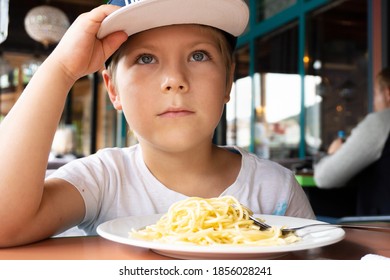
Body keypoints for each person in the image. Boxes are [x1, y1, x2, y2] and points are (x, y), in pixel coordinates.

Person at [0, 0, 314, 247]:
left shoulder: (276, 190)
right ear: (113, 89)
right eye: (146, 59)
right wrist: (62, 68)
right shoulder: (103, 179)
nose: (174, 80)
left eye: (199, 56)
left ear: (229, 80)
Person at [314, 68, 390, 214]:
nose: (374, 102)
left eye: (375, 94)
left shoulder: (382, 122)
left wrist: (332, 153)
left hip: (380, 230)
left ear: (387, 93)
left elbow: (324, 178)